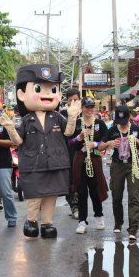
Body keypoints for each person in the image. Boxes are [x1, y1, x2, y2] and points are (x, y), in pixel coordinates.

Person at [0, 64, 80, 239]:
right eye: (38, 88)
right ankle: (31, 221)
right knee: (35, 195)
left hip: (55, 163)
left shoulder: (58, 117)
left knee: (51, 196)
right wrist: (11, 129)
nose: (47, 94)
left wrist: (73, 117)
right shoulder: (26, 120)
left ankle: (47, 223)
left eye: (52, 89)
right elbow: (18, 141)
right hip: (33, 164)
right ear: (22, 95)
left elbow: (69, 133)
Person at [102, 105, 139, 239]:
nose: (122, 125)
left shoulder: (136, 129)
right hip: (117, 165)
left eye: (124, 122)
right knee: (116, 196)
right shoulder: (112, 130)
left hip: (132, 165)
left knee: (133, 197)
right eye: (119, 122)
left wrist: (136, 140)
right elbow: (100, 147)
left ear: (129, 118)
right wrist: (109, 143)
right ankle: (118, 223)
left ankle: (133, 229)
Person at [69, 97, 109, 234]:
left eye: (92, 107)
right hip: (79, 159)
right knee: (81, 191)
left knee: (95, 189)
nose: (90, 109)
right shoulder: (76, 123)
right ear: (82, 108)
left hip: (95, 158)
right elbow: (70, 142)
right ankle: (82, 221)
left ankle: (99, 216)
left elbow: (106, 139)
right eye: (87, 107)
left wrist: (95, 144)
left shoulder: (99, 123)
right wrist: (79, 137)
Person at [62, 88, 81, 219]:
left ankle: (80, 206)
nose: (73, 102)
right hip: (67, 153)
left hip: (84, 153)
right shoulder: (62, 115)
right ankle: (74, 206)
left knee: (82, 182)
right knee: (70, 182)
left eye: (76, 100)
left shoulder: (86, 112)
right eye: (71, 100)